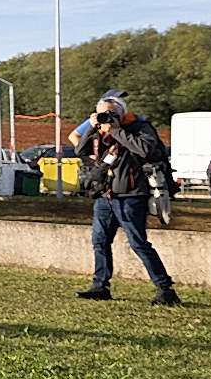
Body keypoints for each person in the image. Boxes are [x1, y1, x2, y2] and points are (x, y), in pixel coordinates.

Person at [74, 88, 180, 306]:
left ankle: (165, 289)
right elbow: (80, 150)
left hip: (131, 195)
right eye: (102, 114)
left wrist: (116, 130)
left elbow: (145, 150)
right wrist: (93, 127)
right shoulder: (100, 130)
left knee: (138, 243)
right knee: (100, 241)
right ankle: (100, 286)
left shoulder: (139, 127)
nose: (107, 118)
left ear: (121, 113)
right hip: (105, 194)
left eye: (111, 113)